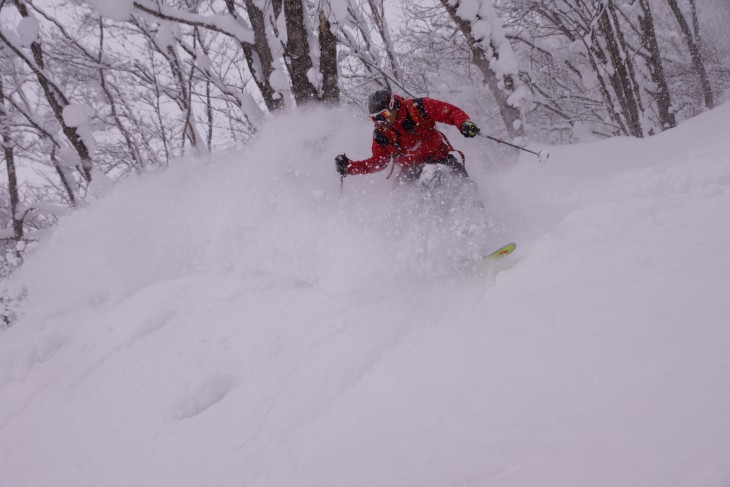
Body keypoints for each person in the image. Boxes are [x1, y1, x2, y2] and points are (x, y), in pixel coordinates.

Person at [335, 90, 480, 185]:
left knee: (464, 184)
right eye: (375, 119)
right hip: (410, 171)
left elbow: (450, 112)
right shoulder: (381, 134)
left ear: (393, 106)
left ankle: (476, 218)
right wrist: (349, 167)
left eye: (383, 115)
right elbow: (378, 163)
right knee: (404, 201)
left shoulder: (418, 108)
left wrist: (463, 124)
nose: (380, 122)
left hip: (439, 158)